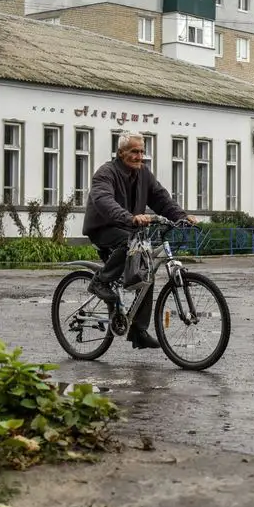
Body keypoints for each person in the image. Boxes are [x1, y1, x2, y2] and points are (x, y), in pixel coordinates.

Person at [82, 131, 197, 349]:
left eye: (142, 151)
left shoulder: (144, 174)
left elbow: (161, 199)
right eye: (134, 151)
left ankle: (138, 331)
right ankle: (100, 281)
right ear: (121, 152)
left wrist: (182, 217)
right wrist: (130, 217)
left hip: (129, 227)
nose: (139, 156)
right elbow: (103, 200)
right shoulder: (106, 173)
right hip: (104, 228)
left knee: (147, 270)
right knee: (132, 244)